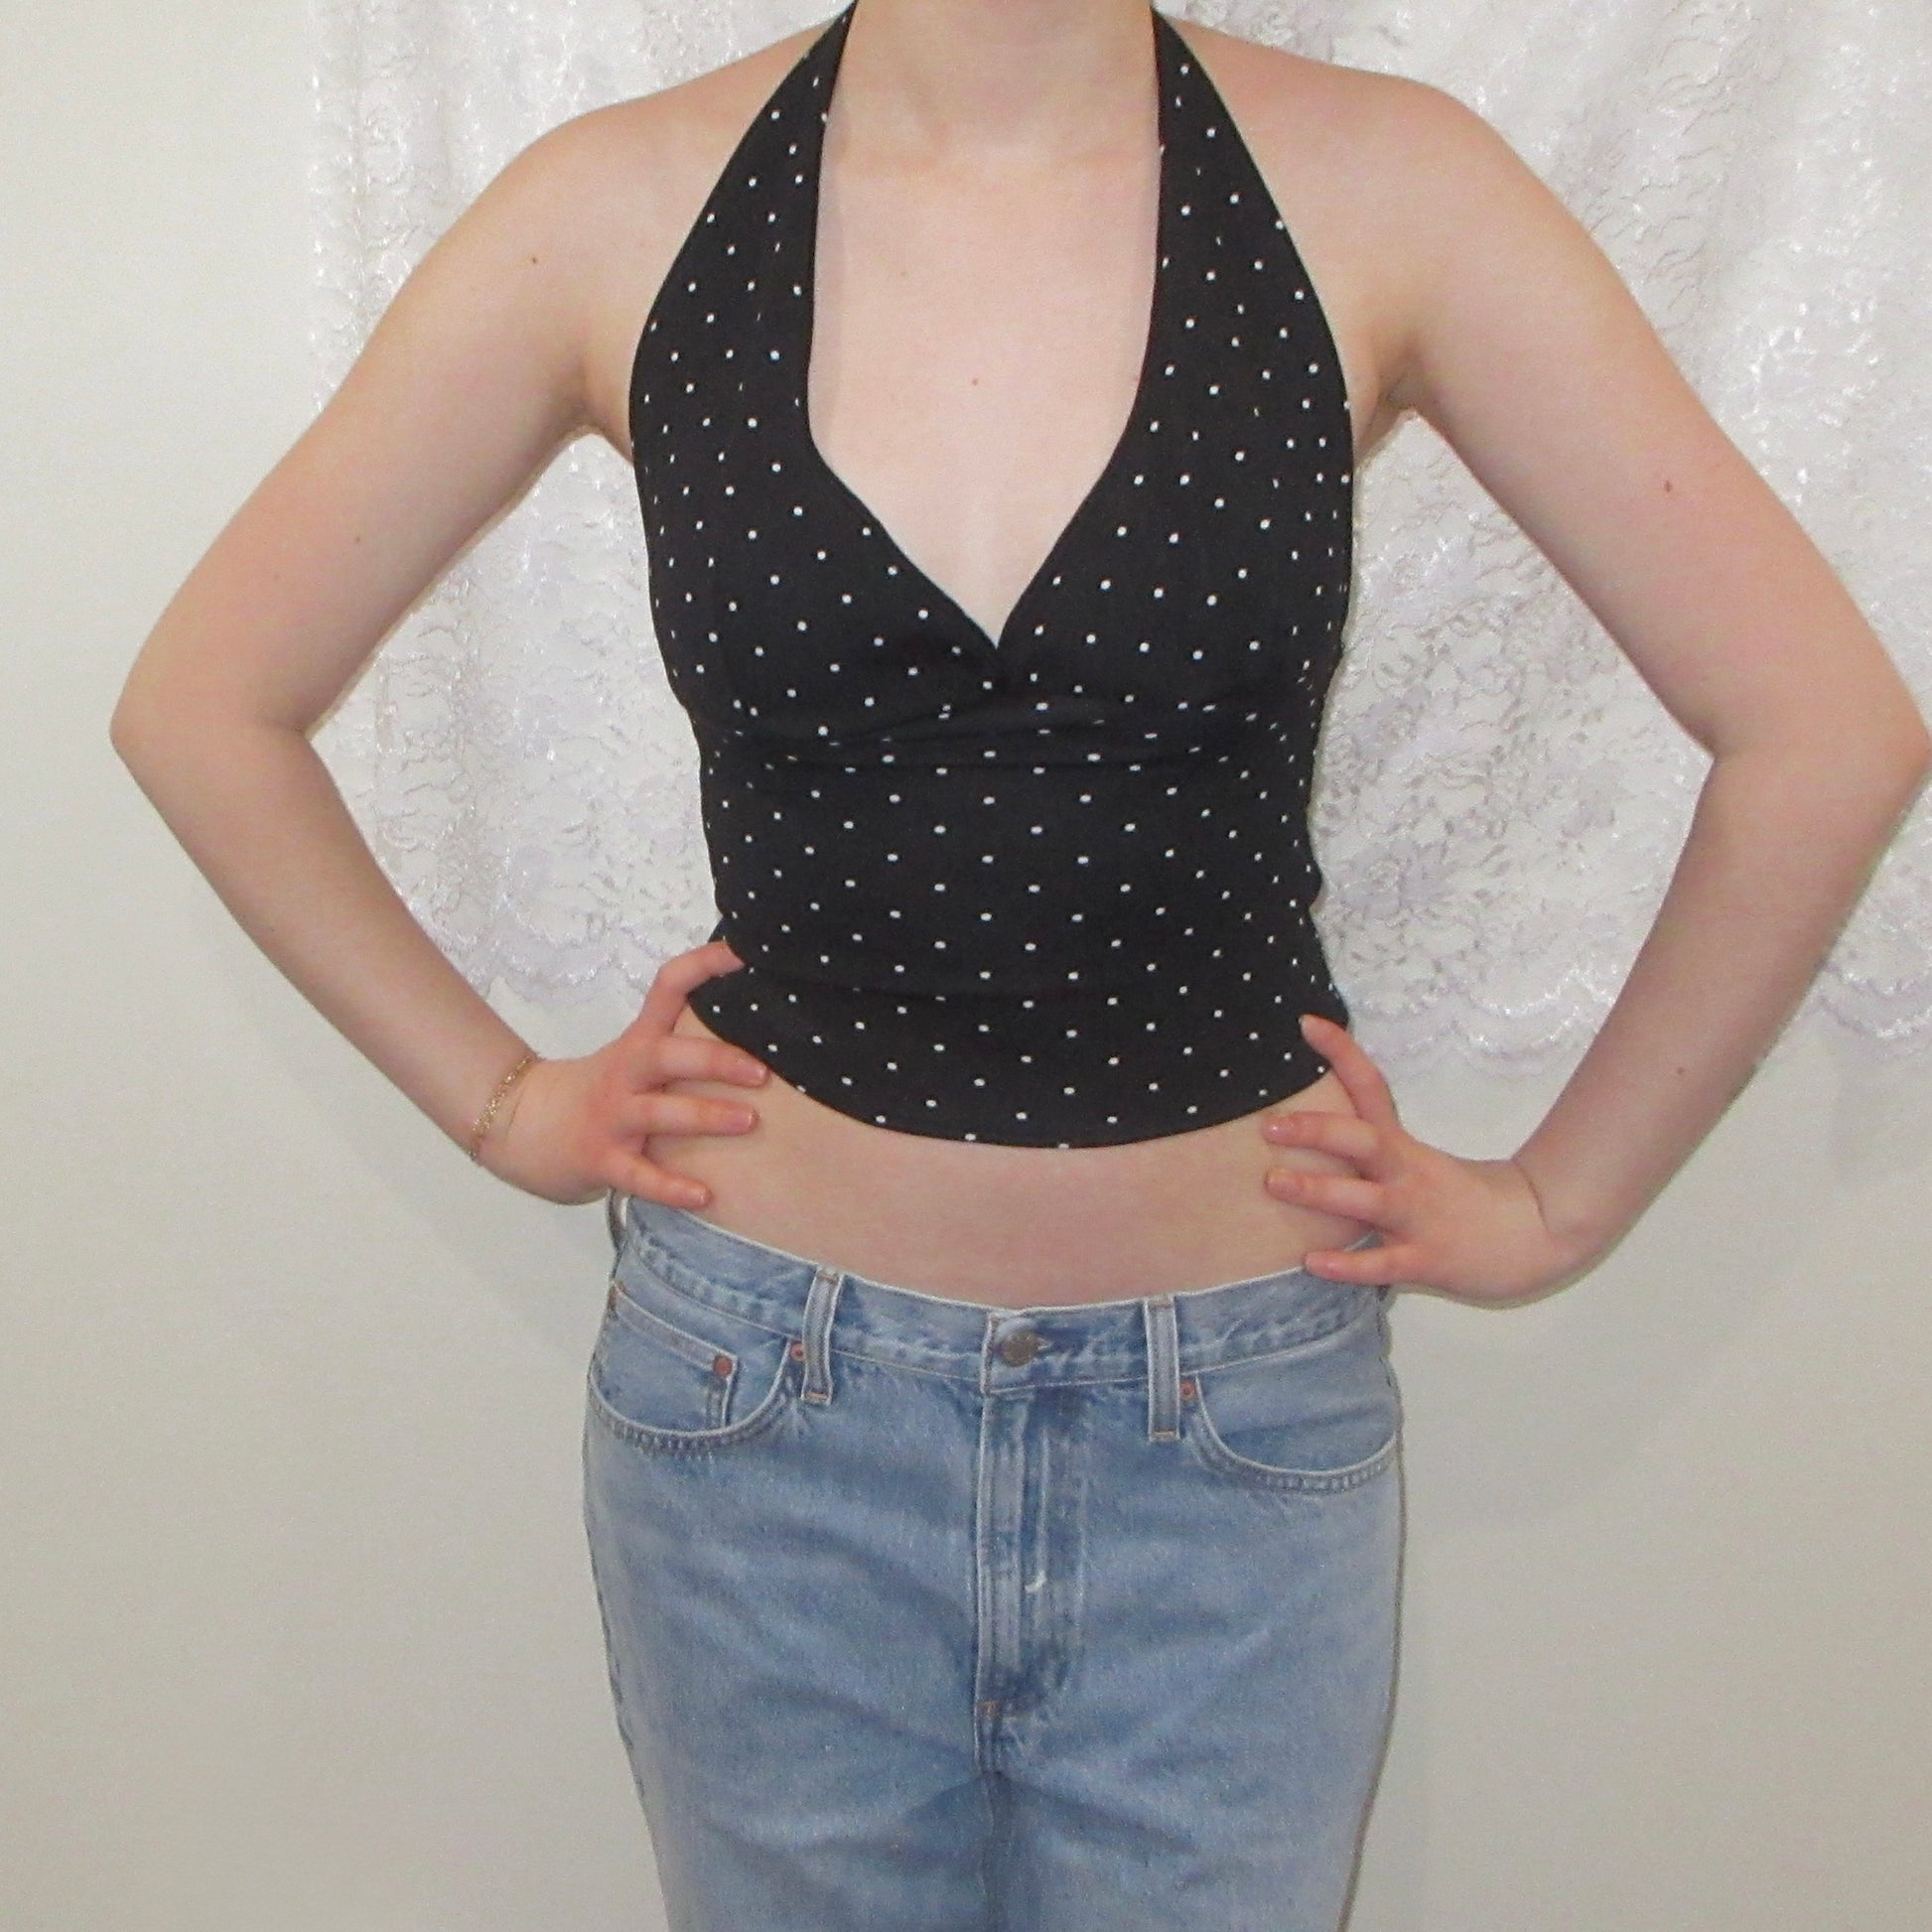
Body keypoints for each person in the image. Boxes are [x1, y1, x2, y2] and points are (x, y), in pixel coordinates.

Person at [109, 0, 1927, 1926]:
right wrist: (501, 1102)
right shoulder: (616, 212)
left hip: (1229, 1449)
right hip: (761, 1440)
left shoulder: (1386, 193)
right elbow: (206, 705)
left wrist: (1559, 1201)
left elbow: (1821, 730)